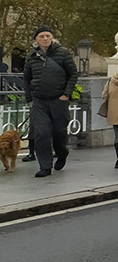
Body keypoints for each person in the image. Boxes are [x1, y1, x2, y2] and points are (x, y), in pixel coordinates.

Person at [23, 26, 78, 178]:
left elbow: (73, 74)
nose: (45, 38)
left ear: (52, 38)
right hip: (39, 100)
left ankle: (62, 153)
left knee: (59, 132)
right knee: (41, 133)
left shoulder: (63, 53)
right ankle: (45, 166)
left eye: (48, 35)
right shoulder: (31, 56)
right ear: (36, 40)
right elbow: (26, 78)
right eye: (41, 36)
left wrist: (66, 94)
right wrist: (30, 98)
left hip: (58, 99)